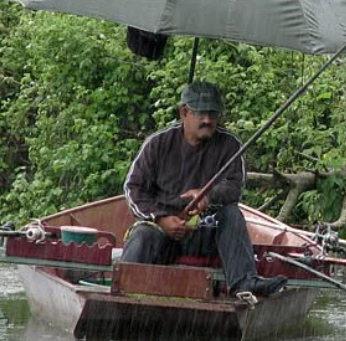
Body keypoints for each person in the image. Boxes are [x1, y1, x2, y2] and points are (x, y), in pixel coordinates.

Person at [121, 81, 287, 297]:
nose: (207, 120)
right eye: (200, 114)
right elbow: (133, 189)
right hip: (162, 232)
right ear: (184, 112)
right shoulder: (158, 143)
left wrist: (208, 197)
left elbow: (234, 188)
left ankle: (245, 282)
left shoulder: (230, 145)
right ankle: (123, 291)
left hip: (206, 233)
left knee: (232, 214)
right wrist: (162, 219)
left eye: (212, 114)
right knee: (142, 235)